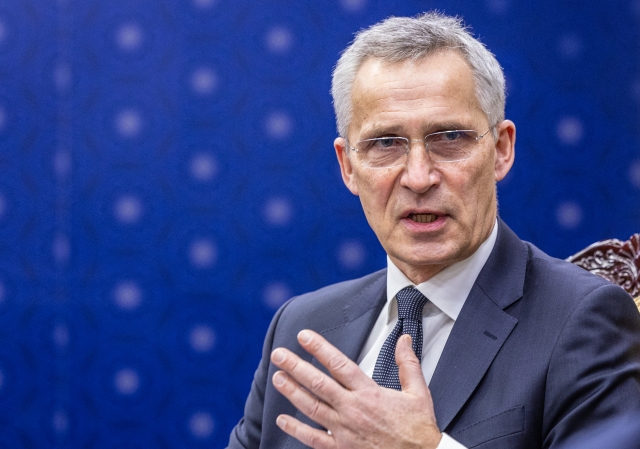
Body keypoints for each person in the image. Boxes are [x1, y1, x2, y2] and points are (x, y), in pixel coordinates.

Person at [227, 12, 640, 449]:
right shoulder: (301, 325)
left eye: (449, 138)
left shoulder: (585, 320)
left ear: (501, 150)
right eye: (385, 143)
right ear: (348, 167)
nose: (419, 177)